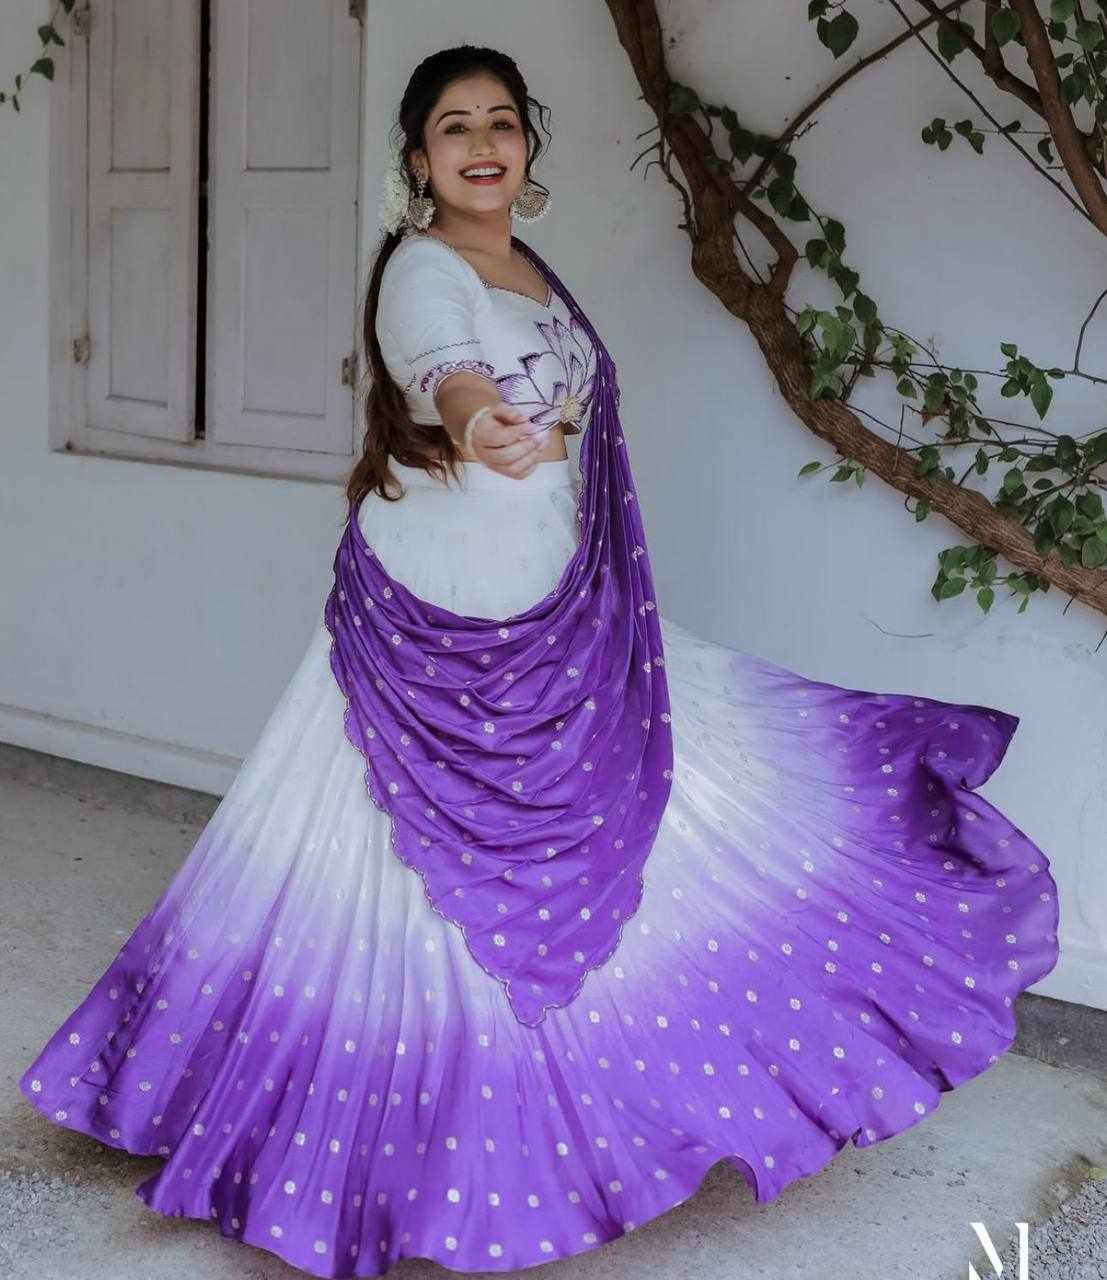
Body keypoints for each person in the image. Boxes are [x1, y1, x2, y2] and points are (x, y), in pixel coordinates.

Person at [18, 44, 1060, 1279]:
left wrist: (518, 436)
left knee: (673, 807)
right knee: (379, 881)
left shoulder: (530, 268)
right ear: (417, 159)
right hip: (438, 628)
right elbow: (444, 368)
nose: (481, 143)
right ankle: (402, 1143)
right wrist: (478, 417)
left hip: (556, 611)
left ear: (526, 144)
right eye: (453, 126)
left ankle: (587, 1102)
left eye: (501, 121)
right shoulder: (421, 270)